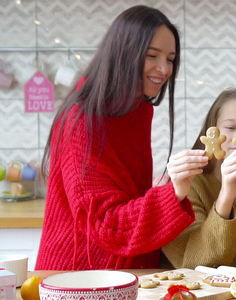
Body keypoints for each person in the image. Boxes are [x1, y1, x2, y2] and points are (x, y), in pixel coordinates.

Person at [36, 5, 197, 270]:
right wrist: (173, 192)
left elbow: (121, 196)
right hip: (78, 276)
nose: (164, 69)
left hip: (126, 271)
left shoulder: (137, 109)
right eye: (152, 55)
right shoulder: (81, 120)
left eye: (170, 58)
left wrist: (159, 189)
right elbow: (106, 224)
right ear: (124, 53)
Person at [162, 88, 236, 270]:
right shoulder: (187, 182)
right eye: (230, 127)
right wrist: (226, 195)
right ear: (212, 131)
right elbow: (196, 264)